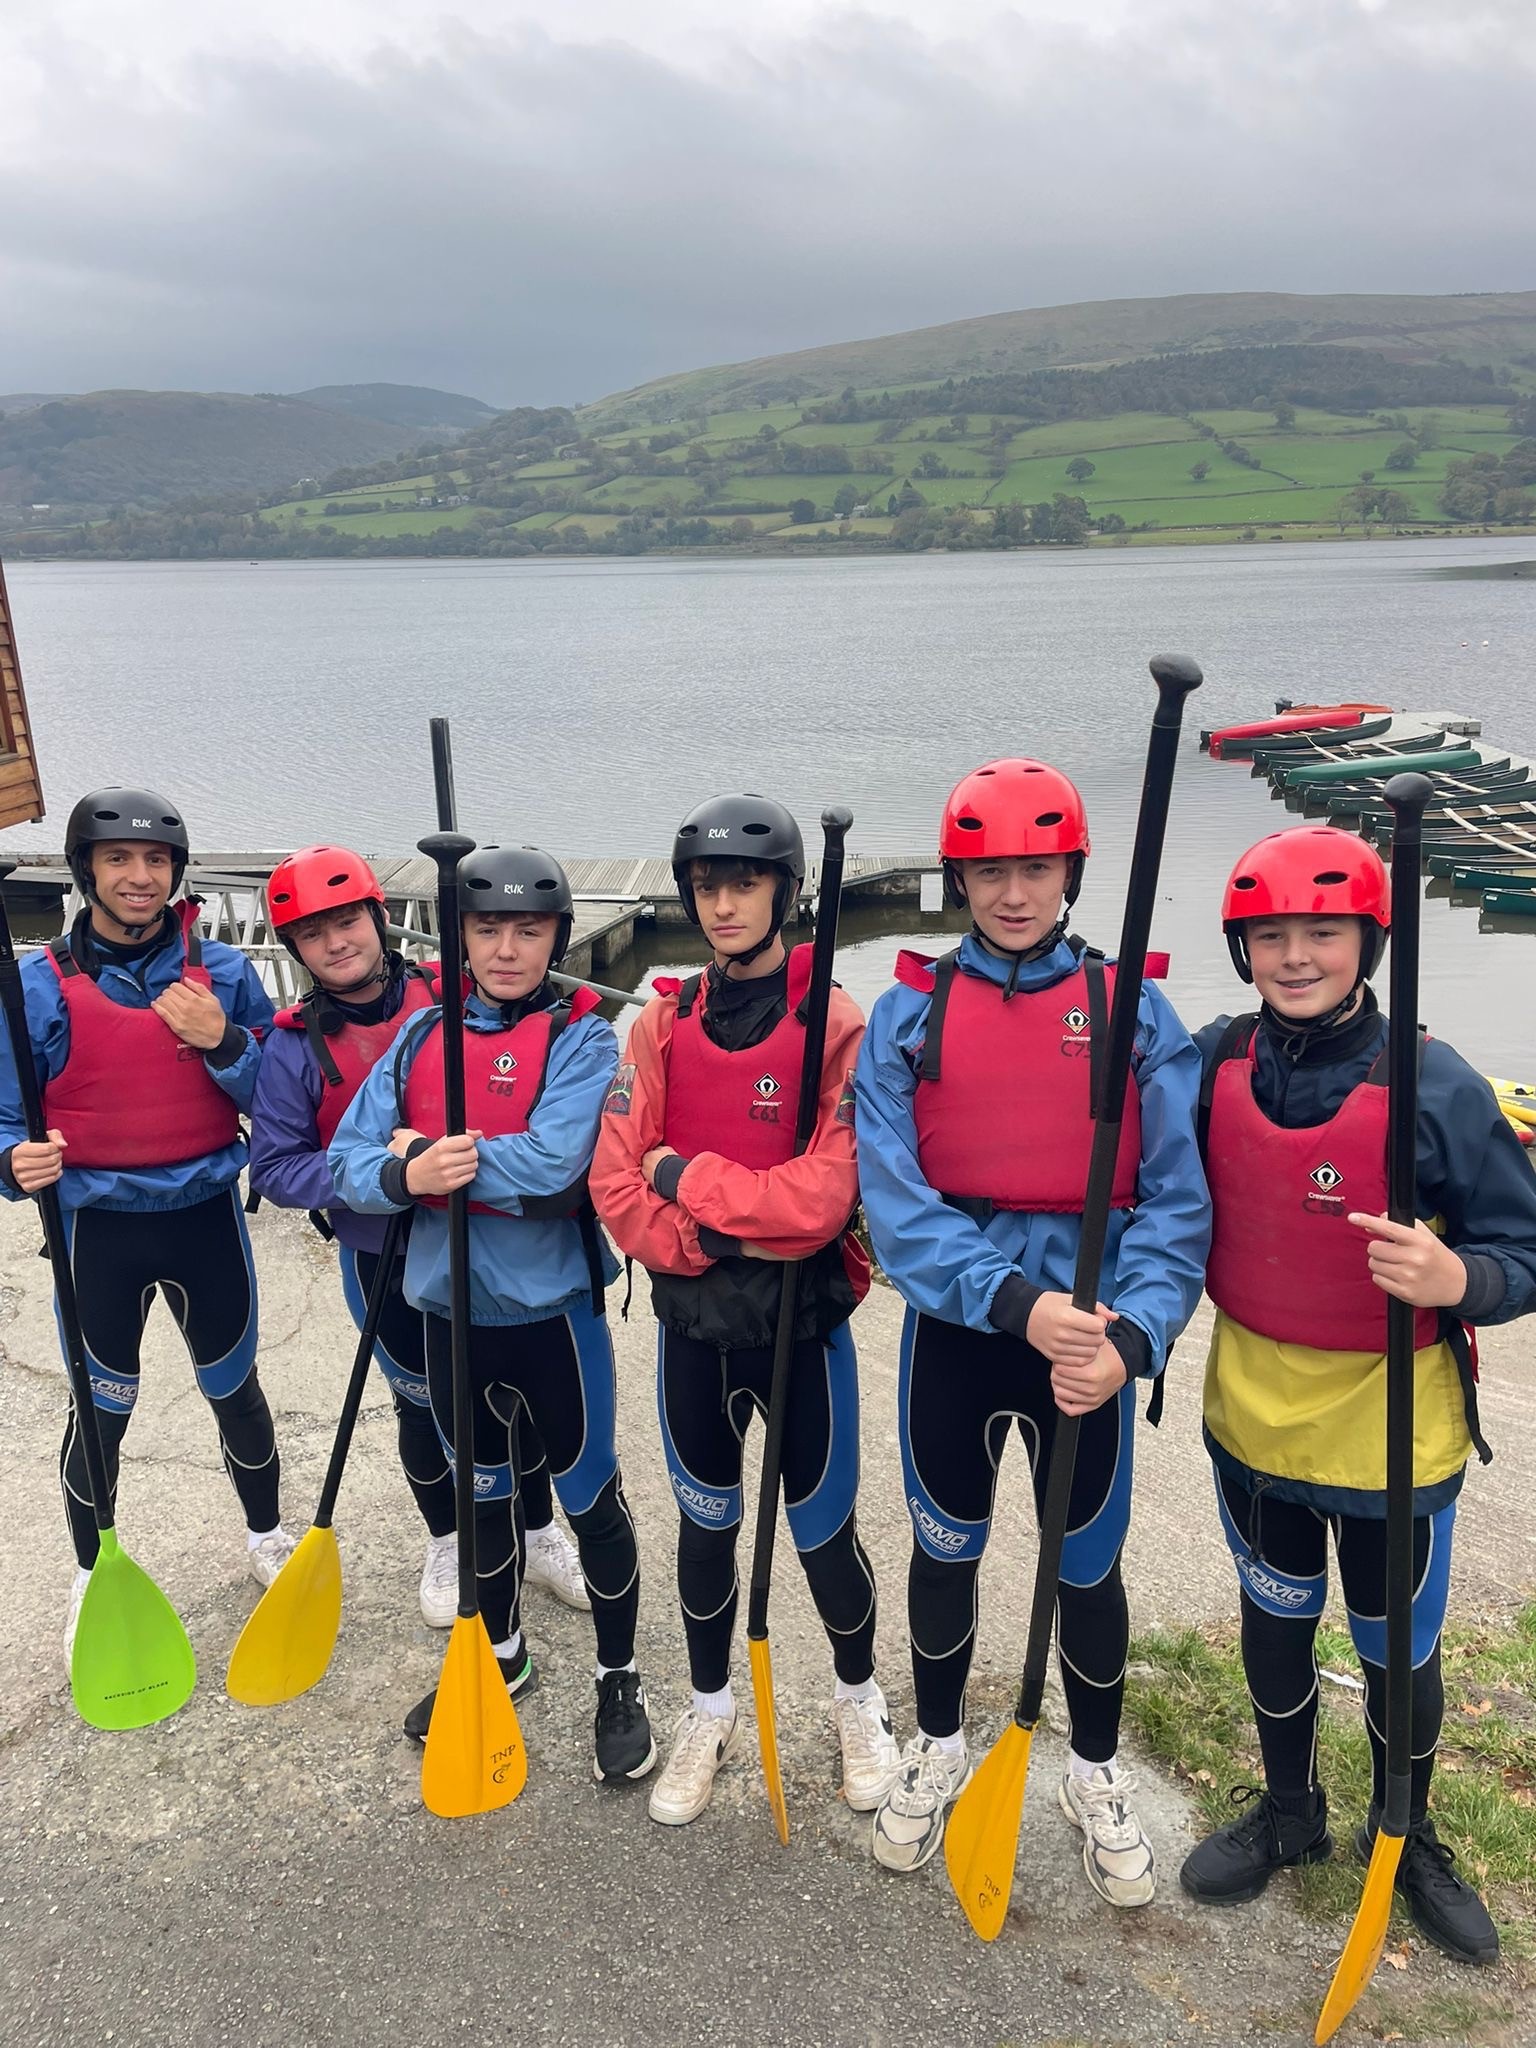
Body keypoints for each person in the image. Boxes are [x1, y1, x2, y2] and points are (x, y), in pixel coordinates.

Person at [1179, 824, 1536, 1966]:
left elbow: (1523, 1247)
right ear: (1242, 948)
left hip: (1393, 1426)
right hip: (1253, 1414)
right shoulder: (1213, 1060)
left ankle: (1406, 1832)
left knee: (1395, 1648)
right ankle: (1292, 1813)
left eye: (1323, 933)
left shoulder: (1437, 1083)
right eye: (1271, 935)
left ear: (1369, 942)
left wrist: (1458, 1278)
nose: (1295, 956)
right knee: (1275, 1622)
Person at [854, 758, 1209, 1902]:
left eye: (1038, 868)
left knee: (1088, 1564)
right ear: (958, 878)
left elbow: (1177, 1202)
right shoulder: (907, 1016)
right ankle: (939, 1742)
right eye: (990, 870)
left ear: (1071, 874)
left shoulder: (1134, 1012)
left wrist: (1132, 1338)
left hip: (1089, 1351)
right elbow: (897, 1208)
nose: (1014, 892)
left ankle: (1094, 1769)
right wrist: (1016, 1301)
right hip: (962, 1336)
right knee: (945, 1547)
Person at [591, 792, 895, 1828]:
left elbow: (822, 1202)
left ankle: (859, 1700)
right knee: (705, 1526)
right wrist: (715, 1238)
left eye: (745, 883)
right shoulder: (661, 1023)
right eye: (707, 886)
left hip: (802, 1328)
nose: (723, 904)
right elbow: (616, 1181)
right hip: (695, 1328)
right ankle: (709, 1707)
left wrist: (687, 1177)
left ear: (786, 893)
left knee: (823, 1532)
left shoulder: (838, 1025)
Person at [329, 843, 655, 1783]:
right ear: (460, 936)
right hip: (448, 1314)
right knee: (482, 1502)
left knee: (590, 1498)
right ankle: (502, 1658)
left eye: (529, 930)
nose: (507, 949)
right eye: (487, 929)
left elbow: (557, 1165)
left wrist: (427, 1156)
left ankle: (619, 1677)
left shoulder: (585, 1040)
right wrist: (404, 1173)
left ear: (558, 937)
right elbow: (349, 1162)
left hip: (553, 1318)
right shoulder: (417, 1038)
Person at [249, 844, 588, 1628]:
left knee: (517, 1397)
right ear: (294, 949)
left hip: (486, 1241)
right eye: (312, 934)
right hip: (382, 1253)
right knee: (421, 1405)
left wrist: (447, 1165)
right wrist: (394, 1176)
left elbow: (531, 1042)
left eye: (347, 922)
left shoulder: (450, 994)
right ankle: (448, 1540)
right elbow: (275, 1166)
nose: (336, 943)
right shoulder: (294, 1045)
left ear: (380, 920)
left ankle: (537, 1530)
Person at [0, 786, 284, 1659]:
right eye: (118, 858)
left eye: (156, 860)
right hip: (98, 1228)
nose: (139, 876)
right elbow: (5, 1118)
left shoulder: (223, 973)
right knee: (101, 1409)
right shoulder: (33, 986)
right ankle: (96, 1572)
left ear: (176, 872)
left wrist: (224, 1040)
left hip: (204, 1216)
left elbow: (282, 1098)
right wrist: (11, 1163)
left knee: (234, 1387)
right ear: (85, 870)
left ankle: (267, 1536)